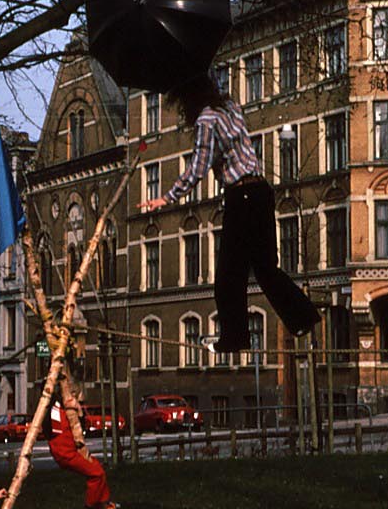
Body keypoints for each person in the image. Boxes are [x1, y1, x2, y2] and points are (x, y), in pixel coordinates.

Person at [136, 74, 318, 352]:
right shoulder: (231, 107)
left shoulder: (206, 120)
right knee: (267, 268)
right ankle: (303, 316)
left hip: (241, 196)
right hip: (262, 191)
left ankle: (235, 337)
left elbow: (198, 167)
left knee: (228, 276)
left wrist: (166, 198)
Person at [49, 385, 114, 509]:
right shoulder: (54, 410)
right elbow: (53, 429)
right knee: (95, 474)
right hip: (65, 453)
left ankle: (103, 502)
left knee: (98, 467)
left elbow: (78, 425)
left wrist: (78, 411)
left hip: (72, 450)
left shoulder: (67, 410)